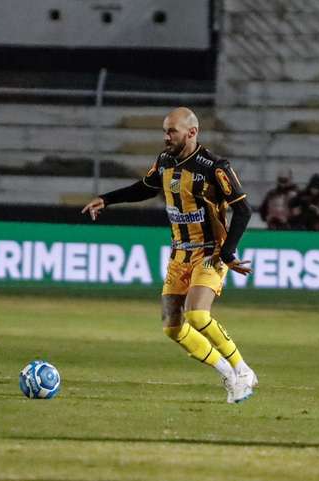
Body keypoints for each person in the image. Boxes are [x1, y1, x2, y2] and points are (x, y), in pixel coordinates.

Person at [81, 107, 259, 404]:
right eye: (165, 131)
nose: (166, 137)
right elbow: (144, 188)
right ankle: (227, 372)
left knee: (198, 314)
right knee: (172, 327)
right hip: (179, 255)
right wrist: (107, 199)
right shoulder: (164, 162)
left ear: (192, 133)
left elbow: (243, 209)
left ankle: (242, 369)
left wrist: (227, 252)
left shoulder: (215, 167)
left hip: (209, 252)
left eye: (171, 131)